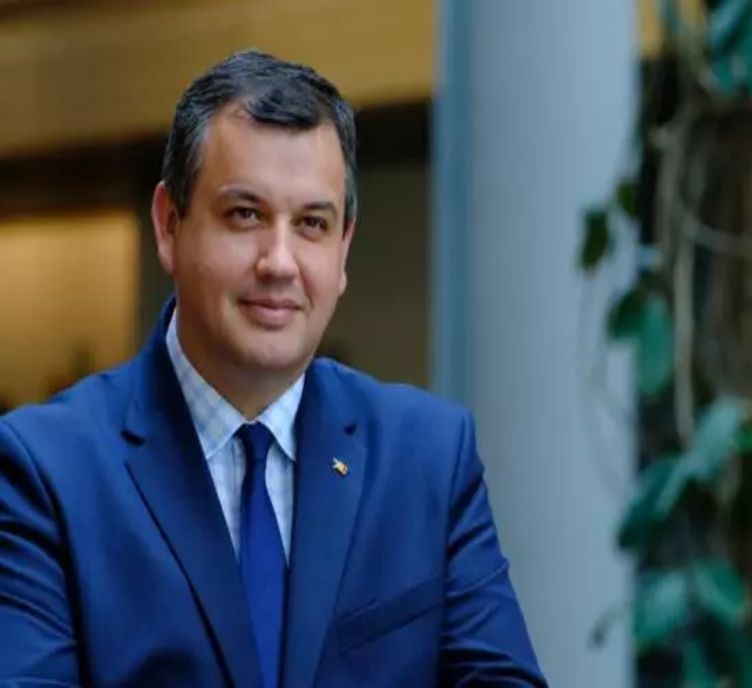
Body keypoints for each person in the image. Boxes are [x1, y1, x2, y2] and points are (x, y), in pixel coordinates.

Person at [0, 51, 545, 687]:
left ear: (343, 249)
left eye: (312, 223)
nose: (279, 262)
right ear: (169, 225)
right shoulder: (45, 472)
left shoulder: (427, 458)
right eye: (245, 215)